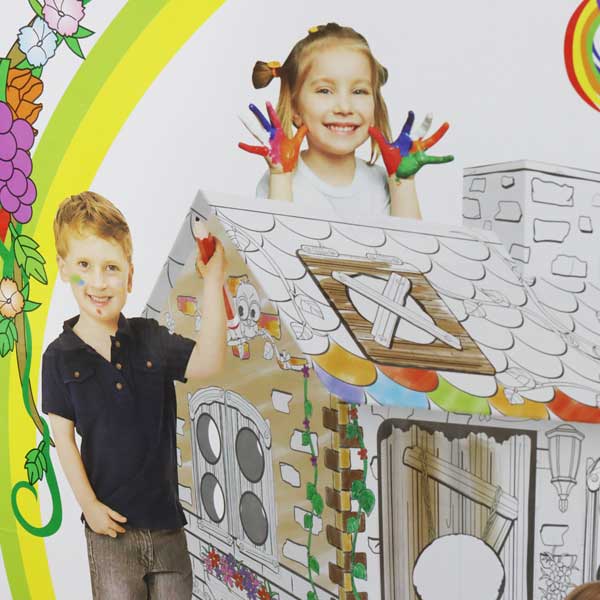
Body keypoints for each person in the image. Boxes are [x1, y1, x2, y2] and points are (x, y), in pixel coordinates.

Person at [41, 191, 227, 599]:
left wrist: (214, 282)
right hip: (110, 534)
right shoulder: (58, 357)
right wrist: (89, 506)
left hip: (167, 529)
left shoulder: (150, 338)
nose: (98, 282)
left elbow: (209, 360)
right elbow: (63, 440)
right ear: (64, 268)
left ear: (129, 276)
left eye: (111, 267)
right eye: (84, 266)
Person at [239, 22, 453, 219]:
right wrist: (281, 176)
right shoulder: (279, 179)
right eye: (324, 91)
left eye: (359, 91)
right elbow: (278, 243)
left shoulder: (384, 181)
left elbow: (410, 245)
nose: (344, 108)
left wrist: (402, 183)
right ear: (295, 109)